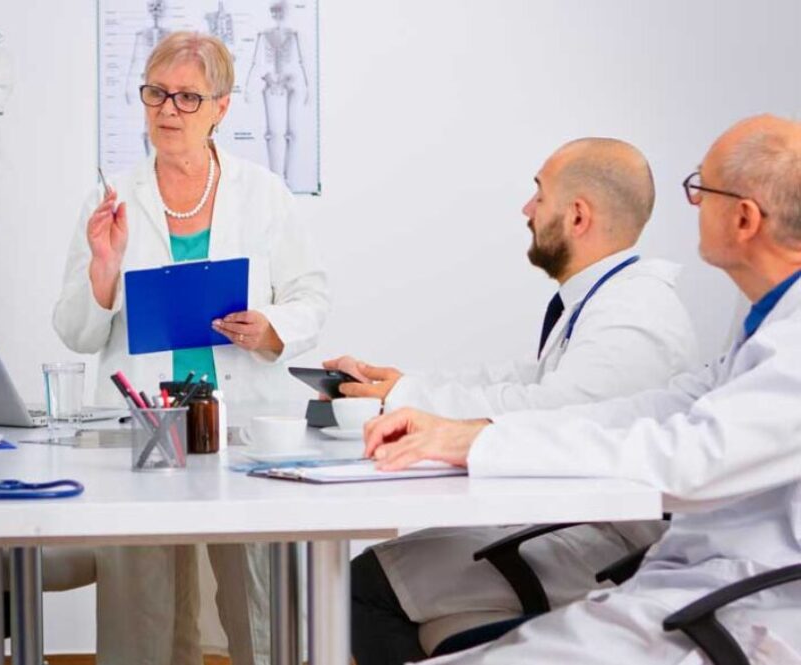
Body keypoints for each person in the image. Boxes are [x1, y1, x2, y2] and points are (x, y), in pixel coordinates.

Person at [367, 114, 801, 663]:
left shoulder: (785, 340)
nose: (691, 204)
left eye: (700, 188)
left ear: (743, 219)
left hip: (742, 608)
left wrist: (477, 441)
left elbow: (688, 459)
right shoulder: (767, 319)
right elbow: (667, 405)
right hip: (695, 580)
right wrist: (471, 432)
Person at [332, 138, 700, 664]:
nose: (527, 210)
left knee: (365, 585)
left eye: (539, 195)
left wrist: (437, 420)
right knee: (372, 574)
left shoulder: (634, 314)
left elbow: (558, 409)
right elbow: (528, 381)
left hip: (612, 547)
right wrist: (402, 387)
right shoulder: (607, 299)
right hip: (574, 524)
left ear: (577, 216)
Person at [54, 31, 328, 665]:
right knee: (141, 607)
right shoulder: (110, 200)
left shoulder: (263, 194)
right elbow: (74, 331)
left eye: (186, 97)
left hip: (239, 423)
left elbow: (312, 295)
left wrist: (272, 326)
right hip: (143, 423)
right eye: (155, 94)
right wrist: (102, 269)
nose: (167, 110)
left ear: (221, 108)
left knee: (254, 601)